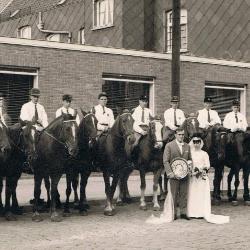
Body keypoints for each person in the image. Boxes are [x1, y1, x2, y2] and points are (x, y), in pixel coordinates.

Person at [187, 133, 229, 224]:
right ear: (192, 143)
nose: (196, 144)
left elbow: (207, 165)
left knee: (201, 194)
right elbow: (188, 163)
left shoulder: (204, 153)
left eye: (198, 142)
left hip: (202, 176)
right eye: (194, 142)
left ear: (201, 143)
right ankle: (192, 212)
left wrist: (202, 170)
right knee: (193, 193)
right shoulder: (190, 154)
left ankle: (201, 212)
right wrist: (191, 170)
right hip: (193, 177)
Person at [163, 127, 192, 220]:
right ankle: (173, 213)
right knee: (174, 194)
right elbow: (165, 161)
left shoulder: (187, 146)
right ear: (175, 135)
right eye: (179, 134)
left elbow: (190, 159)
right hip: (174, 175)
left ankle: (183, 213)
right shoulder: (169, 145)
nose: (181, 136)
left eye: (183, 134)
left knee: (184, 194)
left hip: (184, 174)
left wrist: (189, 166)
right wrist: (170, 173)